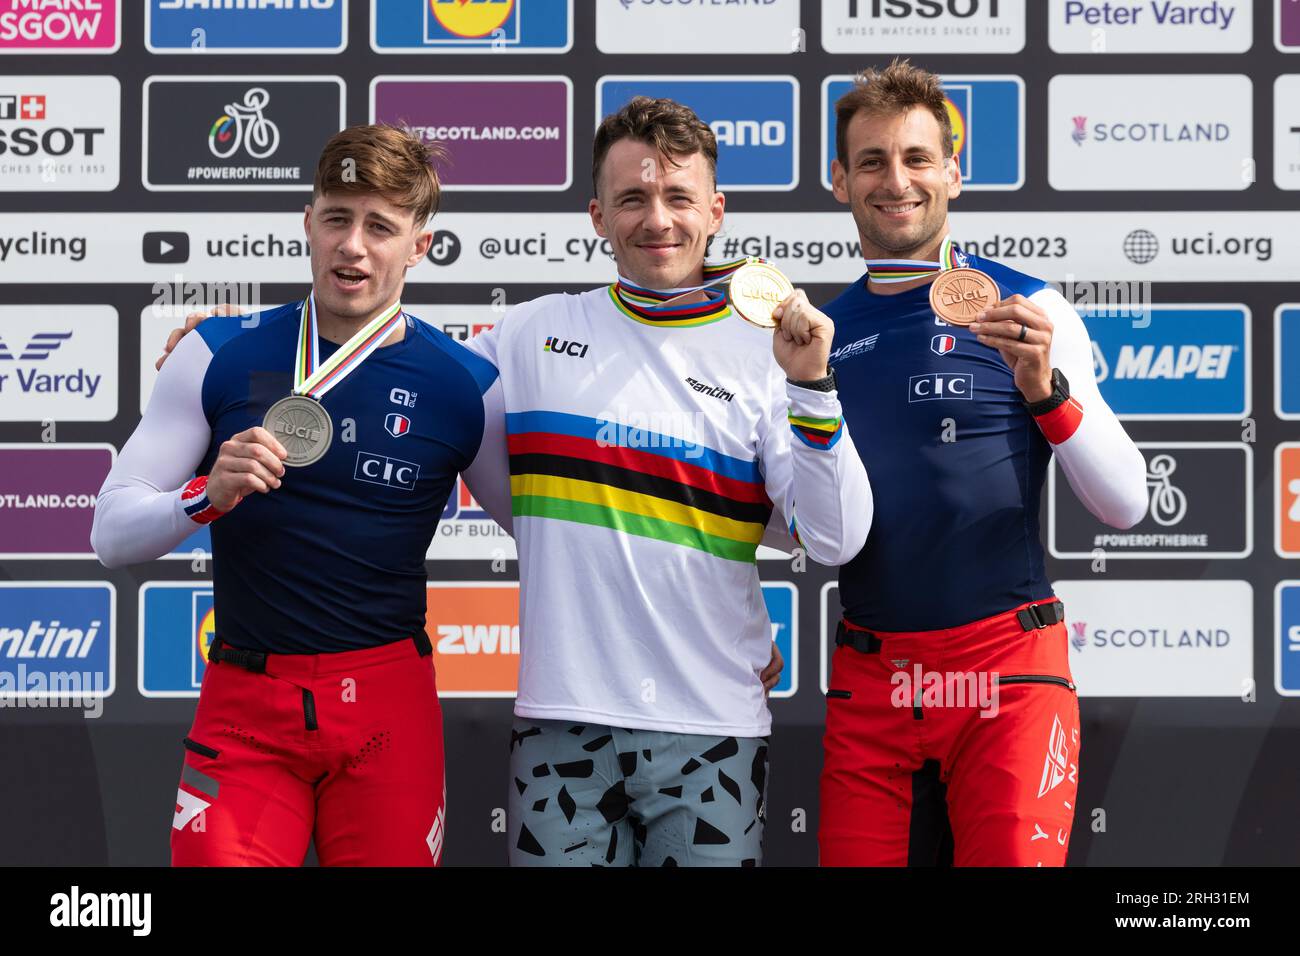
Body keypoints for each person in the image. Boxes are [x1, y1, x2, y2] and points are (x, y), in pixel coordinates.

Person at [160, 98, 872, 867]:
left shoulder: (769, 352)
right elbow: (385, 360)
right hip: (561, 725)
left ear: (716, 212)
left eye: (678, 198)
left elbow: (835, 537)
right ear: (597, 215)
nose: (656, 220)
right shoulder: (528, 334)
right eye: (632, 198)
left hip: (711, 725)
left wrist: (813, 391)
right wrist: (234, 344)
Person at [92, 125, 510, 866]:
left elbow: (564, 539)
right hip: (247, 706)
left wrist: (715, 626)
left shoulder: (465, 384)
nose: (353, 245)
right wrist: (203, 495)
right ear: (307, 223)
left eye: (380, 226)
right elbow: (111, 533)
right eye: (337, 217)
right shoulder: (218, 351)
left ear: (420, 246)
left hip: (388, 709)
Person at [818, 60, 1148, 867]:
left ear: (953, 174)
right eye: (871, 161)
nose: (896, 181)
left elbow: (1127, 504)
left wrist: (1047, 392)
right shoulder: (816, 335)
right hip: (875, 683)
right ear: (839, 181)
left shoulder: (1029, 304)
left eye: (917, 158)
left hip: (1005, 672)